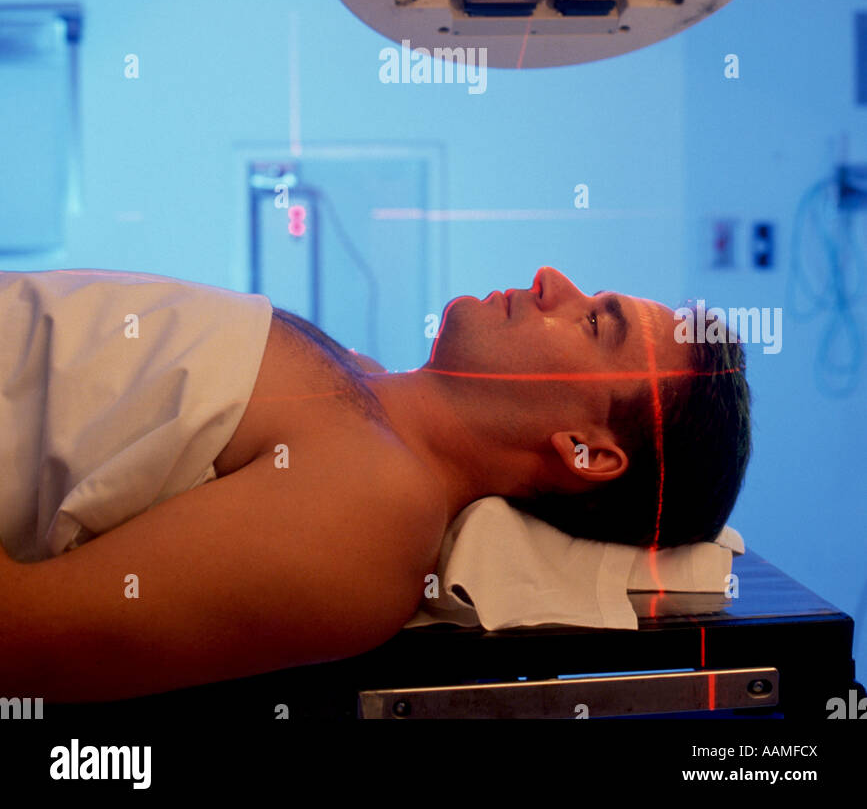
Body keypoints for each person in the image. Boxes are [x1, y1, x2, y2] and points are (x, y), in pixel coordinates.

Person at [0, 265, 750, 702]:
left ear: (585, 452)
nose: (553, 280)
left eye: (594, 324)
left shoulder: (371, 519)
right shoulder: (355, 378)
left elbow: (25, 639)